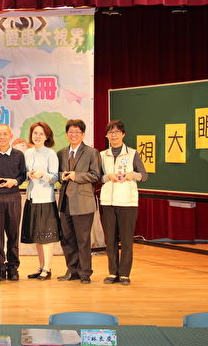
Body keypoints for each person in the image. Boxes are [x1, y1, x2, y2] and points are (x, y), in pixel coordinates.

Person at [100, 120, 147, 286]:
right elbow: (98, 177)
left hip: (128, 202)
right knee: (110, 240)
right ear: (107, 135)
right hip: (108, 201)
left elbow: (144, 175)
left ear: (123, 134)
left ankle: (125, 274)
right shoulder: (102, 155)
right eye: (110, 132)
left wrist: (133, 175)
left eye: (117, 132)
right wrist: (107, 177)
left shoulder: (132, 153)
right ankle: (113, 272)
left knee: (126, 240)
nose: (114, 135)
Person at [56, 119, 101, 284]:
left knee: (83, 240)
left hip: (83, 202)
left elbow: (96, 175)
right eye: (71, 132)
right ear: (66, 134)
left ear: (83, 134)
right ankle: (72, 270)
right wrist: (61, 176)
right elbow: (58, 174)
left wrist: (77, 176)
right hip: (65, 202)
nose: (73, 135)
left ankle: (85, 272)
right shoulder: (61, 153)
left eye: (77, 132)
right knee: (67, 239)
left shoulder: (91, 152)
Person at [21, 122, 60, 281]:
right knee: (37, 235)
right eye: (35, 133)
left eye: (41, 134)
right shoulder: (28, 153)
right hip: (31, 198)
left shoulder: (51, 153)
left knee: (46, 236)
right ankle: (41, 266)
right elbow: (23, 174)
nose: (37, 136)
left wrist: (42, 174)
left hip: (45, 199)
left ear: (47, 137)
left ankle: (47, 268)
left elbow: (55, 177)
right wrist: (28, 175)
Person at [0, 124, 26, 281]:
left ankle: (12, 267)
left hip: (13, 197)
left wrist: (14, 182)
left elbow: (23, 175)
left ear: (11, 136)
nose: (2, 137)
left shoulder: (19, 155)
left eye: (5, 134)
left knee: (13, 234)